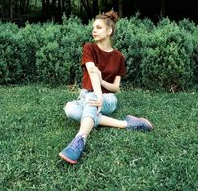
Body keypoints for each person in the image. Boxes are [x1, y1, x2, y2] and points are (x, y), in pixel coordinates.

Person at [59, 10, 153, 164]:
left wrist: (101, 86)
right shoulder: (89, 48)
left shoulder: (119, 57)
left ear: (109, 31)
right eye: (93, 28)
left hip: (108, 99)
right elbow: (92, 70)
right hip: (89, 95)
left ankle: (79, 140)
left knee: (91, 99)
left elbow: (116, 88)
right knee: (70, 109)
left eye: (98, 27)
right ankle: (127, 123)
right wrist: (98, 94)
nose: (94, 31)